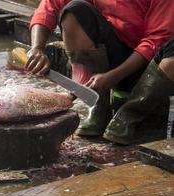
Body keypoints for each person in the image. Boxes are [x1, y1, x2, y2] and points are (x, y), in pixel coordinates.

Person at [26, 0, 174, 144]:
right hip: (114, 52)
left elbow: (156, 40)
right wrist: (37, 48)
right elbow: (50, 5)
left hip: (152, 66)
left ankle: (130, 113)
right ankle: (98, 104)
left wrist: (113, 76)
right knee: (74, 11)